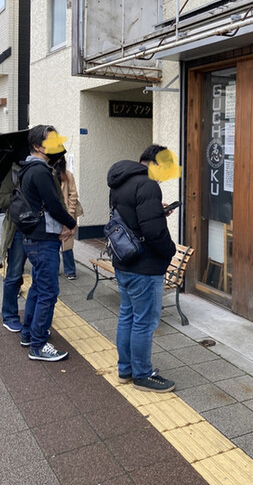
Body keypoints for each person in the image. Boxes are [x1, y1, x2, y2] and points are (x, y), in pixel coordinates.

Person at [107, 144, 177, 393]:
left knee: (127, 315)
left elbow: (131, 219)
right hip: (144, 266)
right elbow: (153, 232)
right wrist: (170, 250)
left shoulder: (120, 181)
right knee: (144, 322)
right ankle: (142, 375)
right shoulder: (148, 185)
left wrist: (157, 211)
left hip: (124, 260)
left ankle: (126, 369)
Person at [18, 125, 77, 361]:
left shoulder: (27, 169)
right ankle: (38, 344)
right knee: (48, 292)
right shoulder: (40, 171)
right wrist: (71, 223)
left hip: (34, 238)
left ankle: (28, 334)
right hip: (44, 240)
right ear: (37, 146)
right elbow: (53, 204)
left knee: (38, 288)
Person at [0, 163, 27, 333]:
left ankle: (36, 318)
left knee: (41, 276)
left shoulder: (46, 170)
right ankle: (9, 316)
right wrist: (19, 195)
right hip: (17, 231)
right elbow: (1, 200)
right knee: (14, 274)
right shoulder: (12, 173)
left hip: (40, 231)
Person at [54, 155, 82, 280]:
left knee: (67, 243)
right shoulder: (47, 174)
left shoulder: (67, 175)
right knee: (53, 243)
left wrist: (69, 216)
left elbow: (73, 195)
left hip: (66, 214)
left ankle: (70, 271)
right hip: (53, 214)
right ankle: (54, 269)